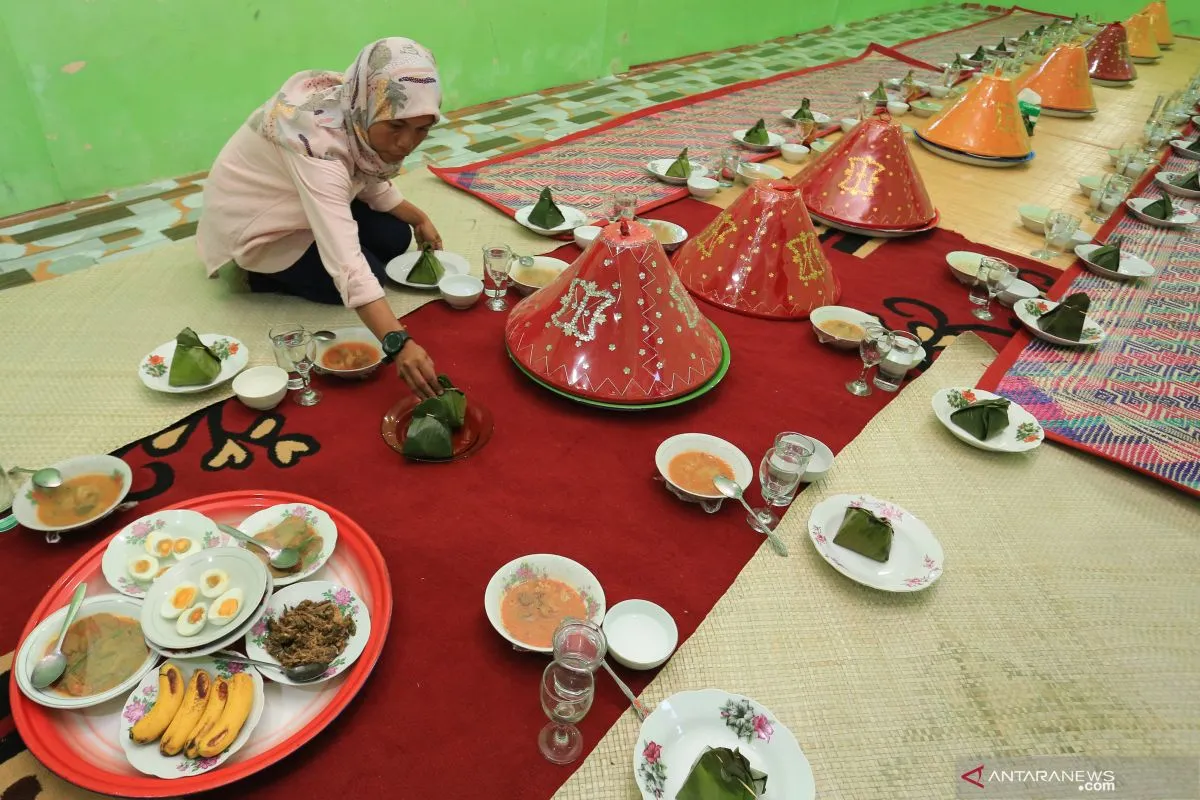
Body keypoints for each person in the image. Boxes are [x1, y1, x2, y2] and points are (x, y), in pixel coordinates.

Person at [197, 37, 444, 398]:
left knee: (394, 236)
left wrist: (419, 218)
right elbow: (345, 260)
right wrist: (398, 343)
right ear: (370, 107)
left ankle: (305, 262)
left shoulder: (353, 104)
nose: (406, 143)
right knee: (370, 275)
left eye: (421, 129)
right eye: (396, 126)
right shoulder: (315, 143)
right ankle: (257, 275)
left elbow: (364, 176)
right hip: (259, 225)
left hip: (300, 199)